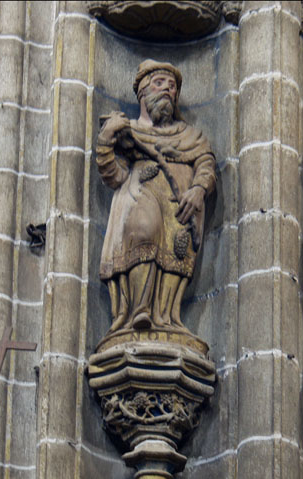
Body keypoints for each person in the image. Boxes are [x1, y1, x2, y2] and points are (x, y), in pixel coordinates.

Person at [95, 59, 216, 343]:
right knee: (143, 230)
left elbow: (206, 163)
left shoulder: (191, 136)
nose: (167, 91)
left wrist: (198, 188)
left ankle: (167, 317)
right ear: (142, 93)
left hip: (181, 203)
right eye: (159, 84)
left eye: (172, 87)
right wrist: (107, 137)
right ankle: (137, 311)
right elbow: (113, 175)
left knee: (177, 252)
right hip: (141, 194)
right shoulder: (130, 132)